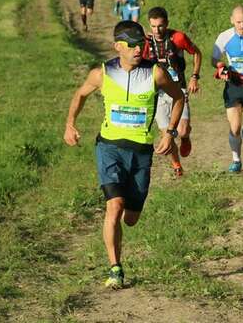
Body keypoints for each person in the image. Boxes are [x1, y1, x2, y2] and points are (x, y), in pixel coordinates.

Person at [63, 21, 184, 289]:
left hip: (141, 152)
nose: (137, 49)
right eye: (131, 44)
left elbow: (178, 98)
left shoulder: (156, 73)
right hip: (109, 148)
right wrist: (70, 124)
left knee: (131, 218)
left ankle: (118, 252)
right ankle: (115, 268)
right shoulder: (103, 73)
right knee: (114, 206)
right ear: (117, 46)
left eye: (140, 43)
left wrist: (170, 132)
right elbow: (80, 94)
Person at [144, 7, 202, 177]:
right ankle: (176, 165)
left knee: (182, 130)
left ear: (167, 24)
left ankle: (185, 138)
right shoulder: (146, 42)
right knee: (166, 135)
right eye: (153, 26)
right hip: (158, 93)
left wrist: (194, 77)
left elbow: (197, 53)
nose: (157, 30)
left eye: (160, 26)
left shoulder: (178, 38)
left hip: (179, 88)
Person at [212, 5, 243, 173]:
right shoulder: (224, 37)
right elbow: (214, 58)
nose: (242, 26)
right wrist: (220, 67)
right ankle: (236, 160)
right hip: (233, 85)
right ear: (232, 20)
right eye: (238, 22)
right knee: (234, 127)